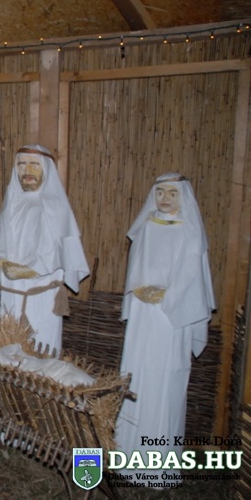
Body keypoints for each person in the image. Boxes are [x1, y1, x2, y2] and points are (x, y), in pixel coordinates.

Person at [115, 173, 215, 488]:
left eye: (172, 193)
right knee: (137, 376)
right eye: (160, 193)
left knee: (165, 381)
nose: (165, 199)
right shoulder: (145, 228)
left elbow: (194, 279)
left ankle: (157, 467)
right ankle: (126, 456)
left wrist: (168, 296)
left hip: (171, 319)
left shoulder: (191, 233)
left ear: (183, 197)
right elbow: (135, 269)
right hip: (143, 318)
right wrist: (138, 291)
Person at [0, 144, 89, 353]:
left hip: (41, 292)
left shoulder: (56, 208)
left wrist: (30, 271)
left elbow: (60, 252)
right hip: (12, 291)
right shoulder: (12, 204)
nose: (27, 171)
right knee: (8, 347)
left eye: (34, 165)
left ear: (46, 169)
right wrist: (2, 262)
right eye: (21, 165)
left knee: (41, 345)